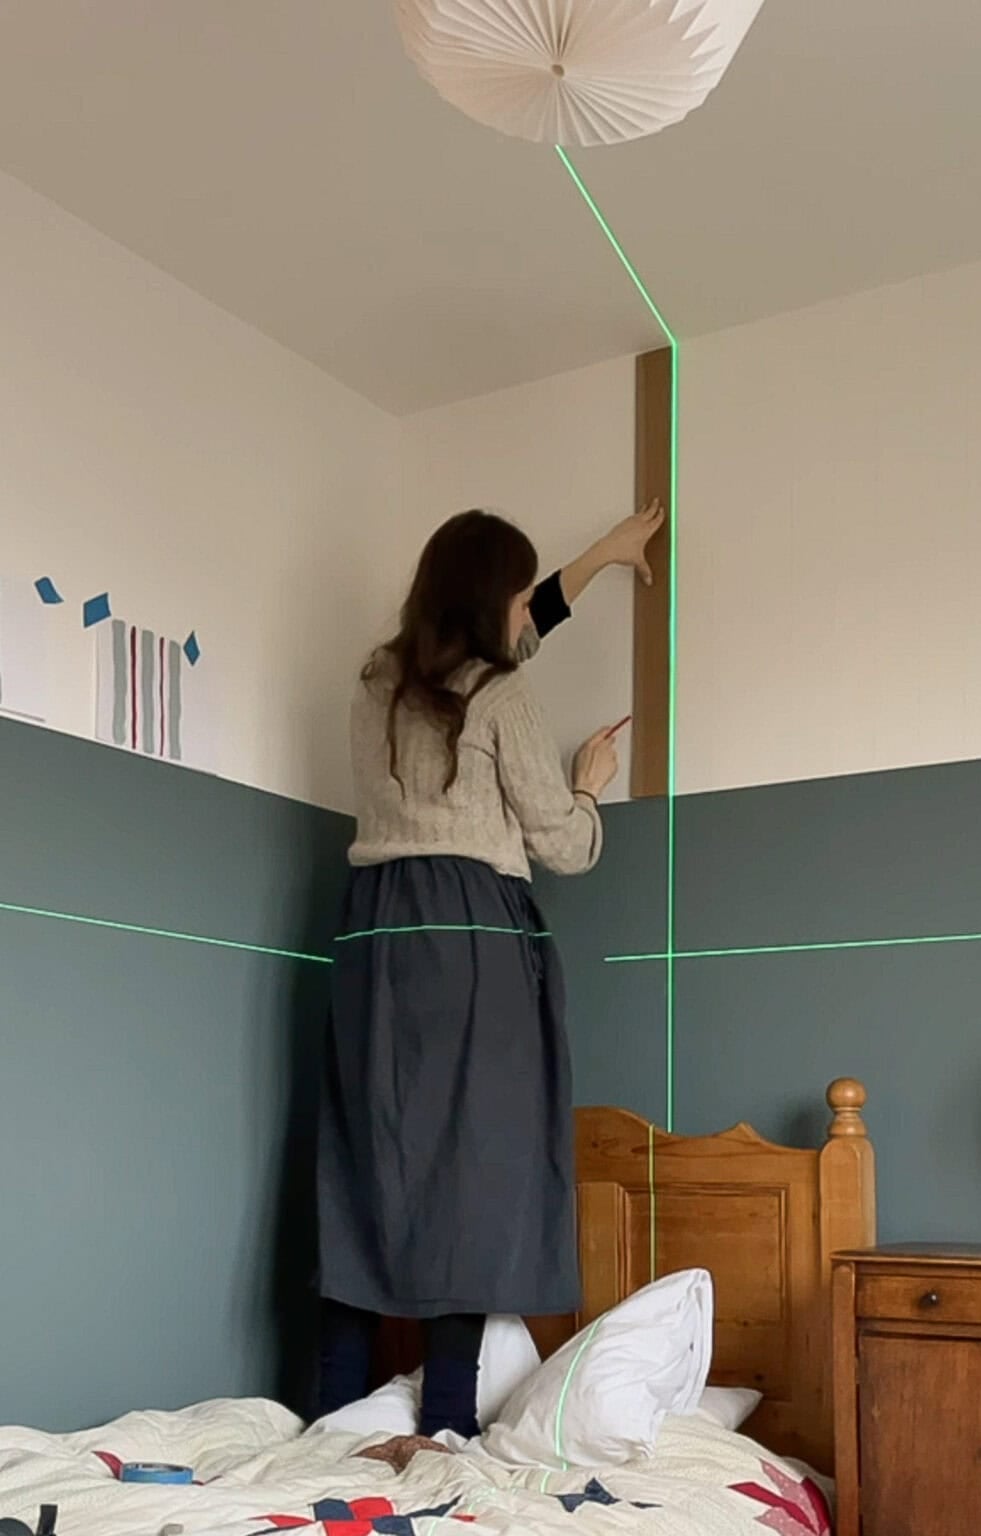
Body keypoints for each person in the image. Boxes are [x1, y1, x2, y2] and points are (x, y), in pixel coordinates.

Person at [317, 499, 664, 1440]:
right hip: (470, 936)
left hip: (374, 937)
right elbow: (563, 845)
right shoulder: (503, 699)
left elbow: (515, 637)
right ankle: (442, 1423)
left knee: (368, 1159)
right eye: (519, 600)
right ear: (492, 604)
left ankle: (332, 1427)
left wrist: (603, 557)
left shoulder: (377, 679)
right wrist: (589, 785)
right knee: (475, 1165)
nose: (526, 617)